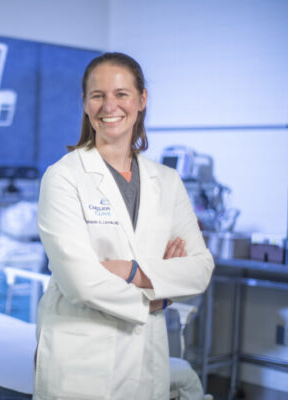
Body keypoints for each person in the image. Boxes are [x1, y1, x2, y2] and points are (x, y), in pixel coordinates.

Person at [34, 52, 215, 400]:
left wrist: (131, 271)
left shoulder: (167, 181)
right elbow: (81, 284)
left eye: (121, 94)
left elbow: (200, 269)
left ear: (141, 99)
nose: (109, 106)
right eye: (97, 95)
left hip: (147, 360)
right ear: (85, 104)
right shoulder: (63, 178)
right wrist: (160, 293)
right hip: (80, 362)